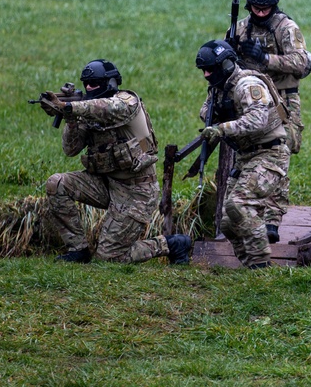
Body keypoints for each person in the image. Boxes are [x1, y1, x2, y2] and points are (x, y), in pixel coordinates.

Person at [39, 59, 192, 265]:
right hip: (106, 185)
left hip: (136, 193)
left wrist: (70, 107)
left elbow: (108, 108)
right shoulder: (84, 110)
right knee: (56, 183)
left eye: (95, 83)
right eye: (86, 84)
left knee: (109, 258)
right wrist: (71, 119)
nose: (89, 88)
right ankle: (78, 250)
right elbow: (71, 149)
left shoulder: (127, 101)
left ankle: (170, 244)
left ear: (110, 82)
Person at [195, 40, 290, 269]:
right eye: (203, 71)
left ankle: (261, 263)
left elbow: (258, 120)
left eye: (210, 70)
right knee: (228, 223)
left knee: (239, 206)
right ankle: (251, 266)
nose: (207, 75)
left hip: (270, 153)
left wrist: (222, 128)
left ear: (226, 65)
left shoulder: (247, 85)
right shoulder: (219, 88)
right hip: (246, 156)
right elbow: (204, 111)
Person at [234, 0, 311, 245]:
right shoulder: (240, 28)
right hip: (250, 101)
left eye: (266, 8)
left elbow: (302, 62)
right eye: (256, 8)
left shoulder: (286, 27)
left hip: (283, 100)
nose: (261, 12)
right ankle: (246, 214)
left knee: (281, 154)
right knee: (246, 154)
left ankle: (272, 220)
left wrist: (266, 59)